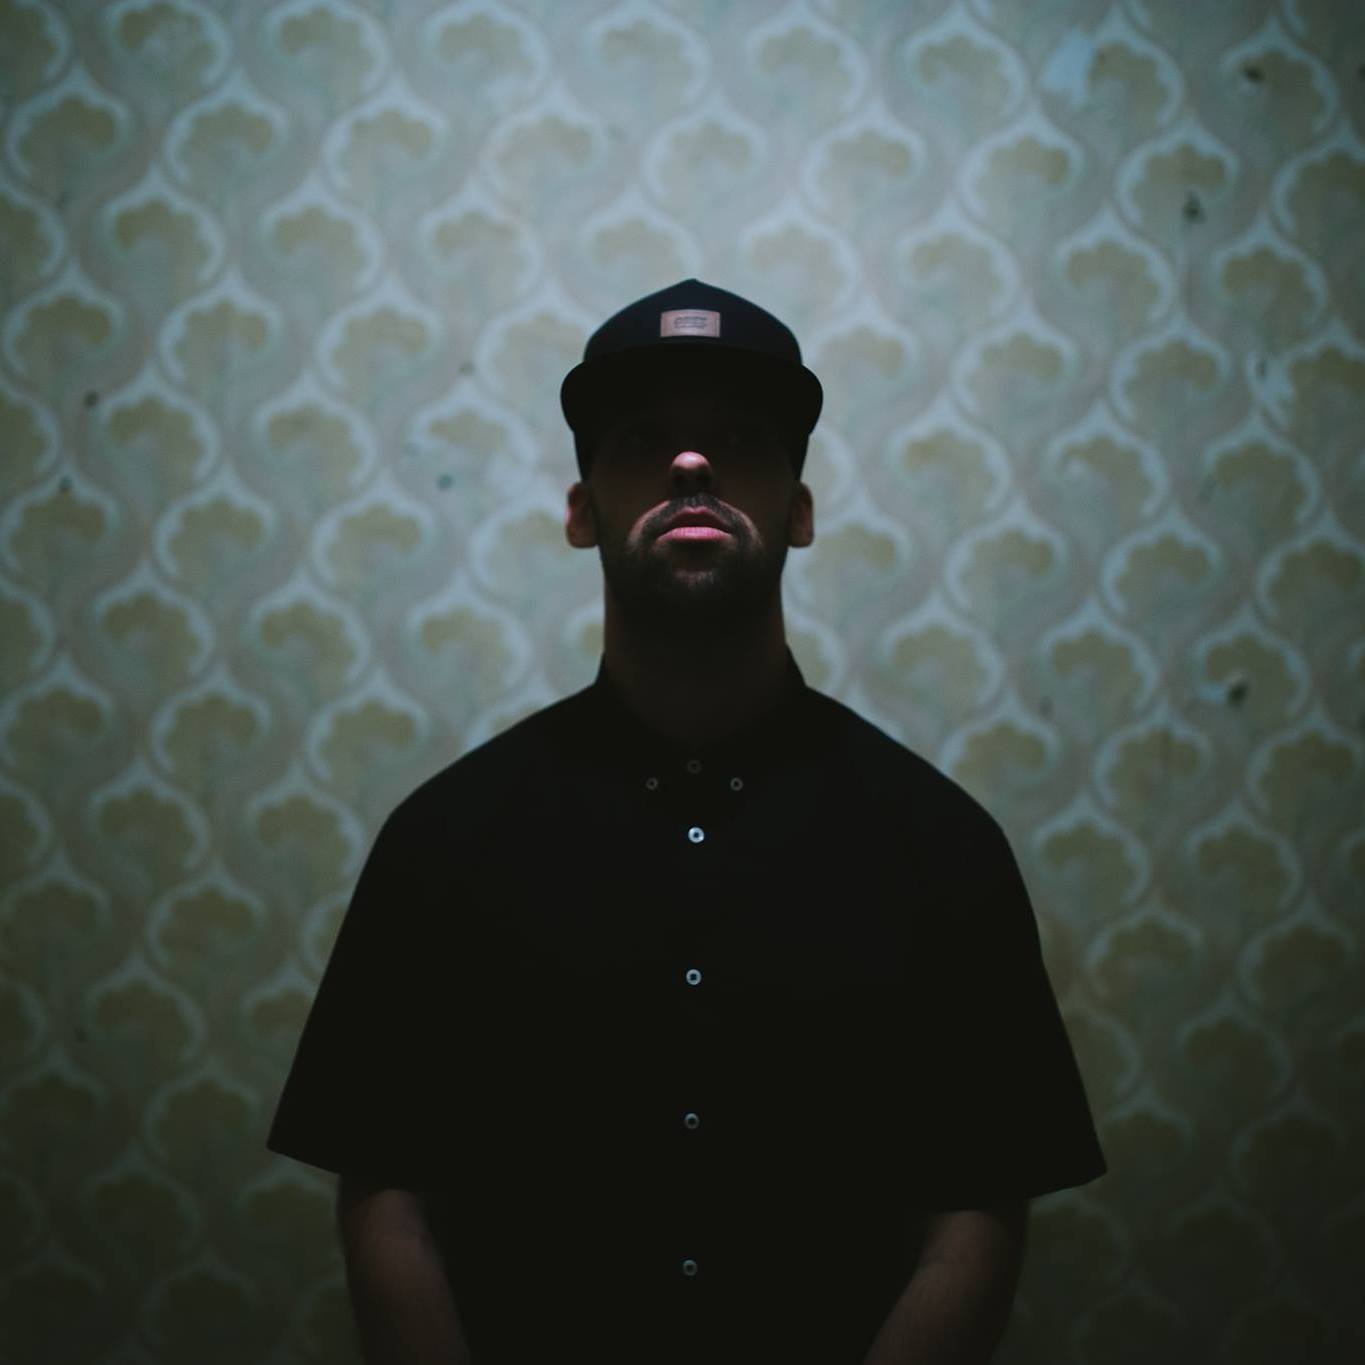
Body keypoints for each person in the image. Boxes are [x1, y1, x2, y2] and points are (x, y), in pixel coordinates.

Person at [266, 279, 1106, 1365]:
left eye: (743, 440)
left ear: (801, 513)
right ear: (581, 512)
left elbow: (975, 1216)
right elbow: (390, 1202)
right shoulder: (443, 842)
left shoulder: (942, 848)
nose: (694, 462)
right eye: (643, 440)